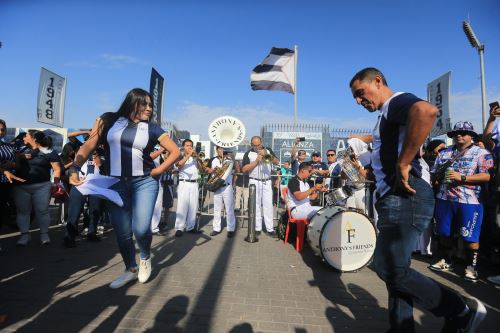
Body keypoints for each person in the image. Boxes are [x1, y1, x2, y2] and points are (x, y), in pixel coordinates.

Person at [349, 67, 486, 332]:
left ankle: (459, 310)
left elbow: (426, 111)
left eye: (360, 93)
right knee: (396, 270)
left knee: (388, 267)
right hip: (394, 198)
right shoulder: (384, 116)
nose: (358, 100)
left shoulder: (395, 102)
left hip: (406, 195)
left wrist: (403, 163)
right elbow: (384, 139)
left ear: (377, 81)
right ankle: (401, 327)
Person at [69, 88, 180, 289]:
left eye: (150, 105)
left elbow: (175, 151)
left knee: (140, 227)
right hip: (115, 183)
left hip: (144, 182)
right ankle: (130, 269)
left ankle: (145, 257)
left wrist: (158, 171)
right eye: (144, 104)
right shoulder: (108, 120)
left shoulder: (153, 128)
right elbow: (89, 145)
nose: (149, 108)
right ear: (132, 102)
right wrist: (75, 168)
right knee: (122, 232)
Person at [429, 121, 492, 282]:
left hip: (469, 201)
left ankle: (471, 267)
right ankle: (446, 260)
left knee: (470, 236)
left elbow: (486, 176)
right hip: (444, 199)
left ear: (471, 135)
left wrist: (463, 177)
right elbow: (434, 173)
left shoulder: (481, 153)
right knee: (444, 232)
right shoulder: (444, 153)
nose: (459, 135)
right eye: (456, 133)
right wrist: (437, 179)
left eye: (463, 132)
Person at [13, 130, 61, 246]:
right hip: (21, 187)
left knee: (42, 211)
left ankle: (44, 234)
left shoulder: (49, 151)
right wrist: (19, 156)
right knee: (23, 211)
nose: (25, 137)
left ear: (34, 139)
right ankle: (25, 236)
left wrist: (56, 184)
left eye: (27, 135)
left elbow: (57, 169)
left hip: (42, 186)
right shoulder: (21, 149)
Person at [242, 136, 279, 236]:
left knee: (268, 205)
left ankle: (270, 228)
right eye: (255, 145)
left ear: (261, 142)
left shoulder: (268, 150)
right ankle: (257, 228)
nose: (257, 147)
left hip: (266, 181)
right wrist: (256, 161)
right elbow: (244, 169)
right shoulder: (248, 153)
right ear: (251, 144)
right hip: (254, 181)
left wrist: (266, 154)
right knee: (256, 205)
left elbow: (276, 161)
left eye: (259, 145)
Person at [0, 119, 26, 251]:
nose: (0, 132)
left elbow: (15, 163)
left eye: (2, 129)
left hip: (6, 184)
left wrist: (21, 158)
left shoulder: (7, 146)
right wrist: (5, 169)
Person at [174, 139, 204, 237]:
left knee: (193, 206)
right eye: (187, 145)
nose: (190, 147)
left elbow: (201, 169)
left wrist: (197, 159)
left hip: (194, 184)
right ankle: (179, 228)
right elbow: (178, 165)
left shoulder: (195, 157)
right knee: (182, 206)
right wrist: (188, 155)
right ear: (183, 147)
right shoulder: (180, 155)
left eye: (191, 145)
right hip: (184, 183)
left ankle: (190, 227)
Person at [206, 146, 238, 237]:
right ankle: (216, 228)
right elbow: (206, 169)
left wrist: (233, 159)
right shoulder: (213, 160)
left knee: (229, 209)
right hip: (216, 186)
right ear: (216, 150)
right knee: (217, 208)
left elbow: (237, 170)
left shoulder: (229, 159)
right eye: (220, 149)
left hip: (227, 187)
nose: (222, 150)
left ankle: (231, 229)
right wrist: (211, 170)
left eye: (223, 149)